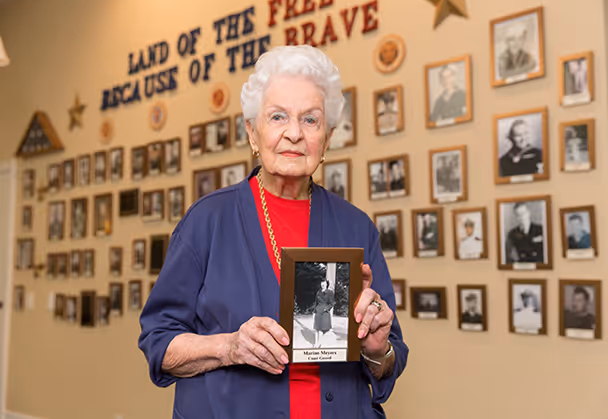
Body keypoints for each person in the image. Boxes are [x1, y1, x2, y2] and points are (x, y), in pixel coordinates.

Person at [139, 45, 408, 419]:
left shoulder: (356, 227)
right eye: (278, 116)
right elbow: (158, 341)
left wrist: (376, 349)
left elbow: (388, 361)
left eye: (310, 120)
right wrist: (228, 347)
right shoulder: (206, 221)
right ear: (253, 132)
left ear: (327, 139)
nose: (294, 133)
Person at [313, 279, 335, 348]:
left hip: (325, 312)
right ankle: (316, 343)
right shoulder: (318, 292)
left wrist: (326, 309)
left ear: (326, 284)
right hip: (318, 311)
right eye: (321, 283)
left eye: (324, 283)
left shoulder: (330, 292)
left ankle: (320, 343)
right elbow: (316, 303)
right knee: (317, 328)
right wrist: (314, 311)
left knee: (323, 329)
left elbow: (332, 303)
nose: (322, 284)